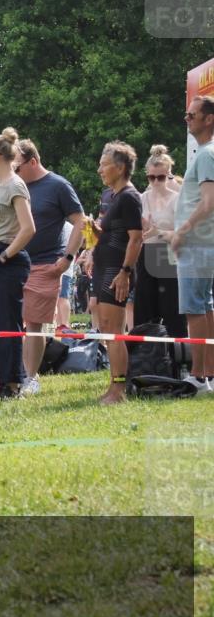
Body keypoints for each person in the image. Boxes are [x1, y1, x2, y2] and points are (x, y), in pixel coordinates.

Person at [13, 138, 85, 395]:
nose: (14, 172)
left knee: (34, 324)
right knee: (14, 323)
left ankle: (30, 378)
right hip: (15, 264)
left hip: (45, 264)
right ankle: (16, 375)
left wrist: (67, 259)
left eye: (17, 167)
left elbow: (80, 221)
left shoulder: (58, 185)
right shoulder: (15, 185)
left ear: (33, 161)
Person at [0, 129, 36, 399]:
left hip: (9, 261)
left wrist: (5, 255)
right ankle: (0, 379)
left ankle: (13, 383)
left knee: (7, 324)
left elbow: (28, 229)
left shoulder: (15, 185)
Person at [94, 142, 144, 404]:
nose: (99, 169)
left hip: (117, 271)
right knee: (107, 329)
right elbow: (114, 233)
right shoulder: (112, 196)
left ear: (120, 167)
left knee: (114, 330)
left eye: (104, 164)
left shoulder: (129, 197)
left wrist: (125, 272)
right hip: (105, 269)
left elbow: (136, 238)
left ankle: (119, 390)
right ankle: (113, 385)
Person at [171, 95, 214, 392]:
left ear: (208, 118)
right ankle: (207, 374)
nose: (186, 118)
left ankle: (199, 375)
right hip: (201, 243)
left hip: (197, 244)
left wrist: (182, 231)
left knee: (194, 309)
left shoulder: (207, 154)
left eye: (191, 115)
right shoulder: (206, 153)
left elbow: (209, 202)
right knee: (204, 307)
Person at [136, 145, 186, 338]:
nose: (156, 182)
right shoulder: (141, 198)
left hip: (169, 255)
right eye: (151, 177)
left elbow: (183, 235)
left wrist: (158, 231)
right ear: (147, 175)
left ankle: (178, 358)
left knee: (172, 309)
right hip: (146, 254)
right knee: (144, 309)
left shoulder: (177, 199)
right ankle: (145, 356)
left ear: (169, 175)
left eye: (161, 177)